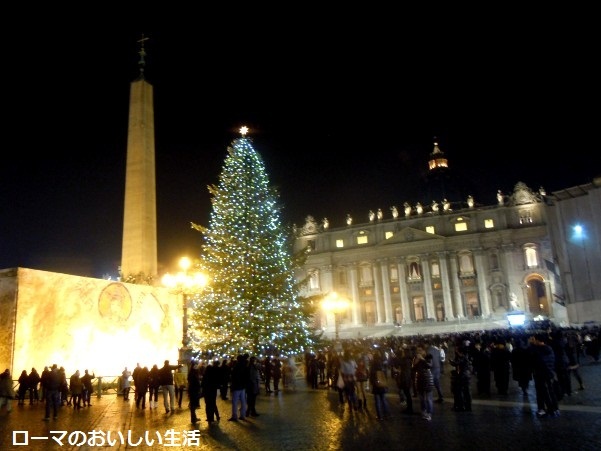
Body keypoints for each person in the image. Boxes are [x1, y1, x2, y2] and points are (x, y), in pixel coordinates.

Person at [529, 334, 560, 417]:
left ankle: (547, 410)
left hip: (540, 374)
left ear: (538, 340)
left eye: (534, 339)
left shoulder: (537, 350)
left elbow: (533, 359)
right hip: (550, 372)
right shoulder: (549, 348)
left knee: (542, 392)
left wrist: (531, 344)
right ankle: (555, 409)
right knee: (550, 391)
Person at [413, 344, 434, 421]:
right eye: (417, 350)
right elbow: (413, 368)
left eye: (420, 350)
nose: (418, 352)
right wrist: (416, 361)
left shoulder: (428, 356)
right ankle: (423, 411)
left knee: (428, 398)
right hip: (419, 380)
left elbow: (430, 365)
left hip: (428, 379)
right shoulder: (416, 358)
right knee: (421, 398)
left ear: (424, 350)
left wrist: (422, 359)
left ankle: (429, 413)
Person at [369, 351, 391, 420]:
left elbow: (371, 375)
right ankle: (387, 414)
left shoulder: (373, 364)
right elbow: (385, 374)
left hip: (376, 384)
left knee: (377, 401)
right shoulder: (382, 364)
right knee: (383, 399)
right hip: (382, 383)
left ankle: (379, 416)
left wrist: (372, 383)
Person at [228, 354, 250, 421]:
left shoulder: (237, 366)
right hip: (243, 386)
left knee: (235, 401)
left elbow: (234, 376)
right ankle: (242, 415)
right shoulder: (245, 365)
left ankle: (234, 416)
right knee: (243, 401)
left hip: (237, 386)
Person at [425, 338, 445, 403]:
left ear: (427, 344)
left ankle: (429, 399)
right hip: (438, 368)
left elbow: (428, 362)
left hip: (432, 369)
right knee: (437, 383)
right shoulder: (437, 350)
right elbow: (440, 359)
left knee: (429, 384)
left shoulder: (428, 351)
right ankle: (441, 397)